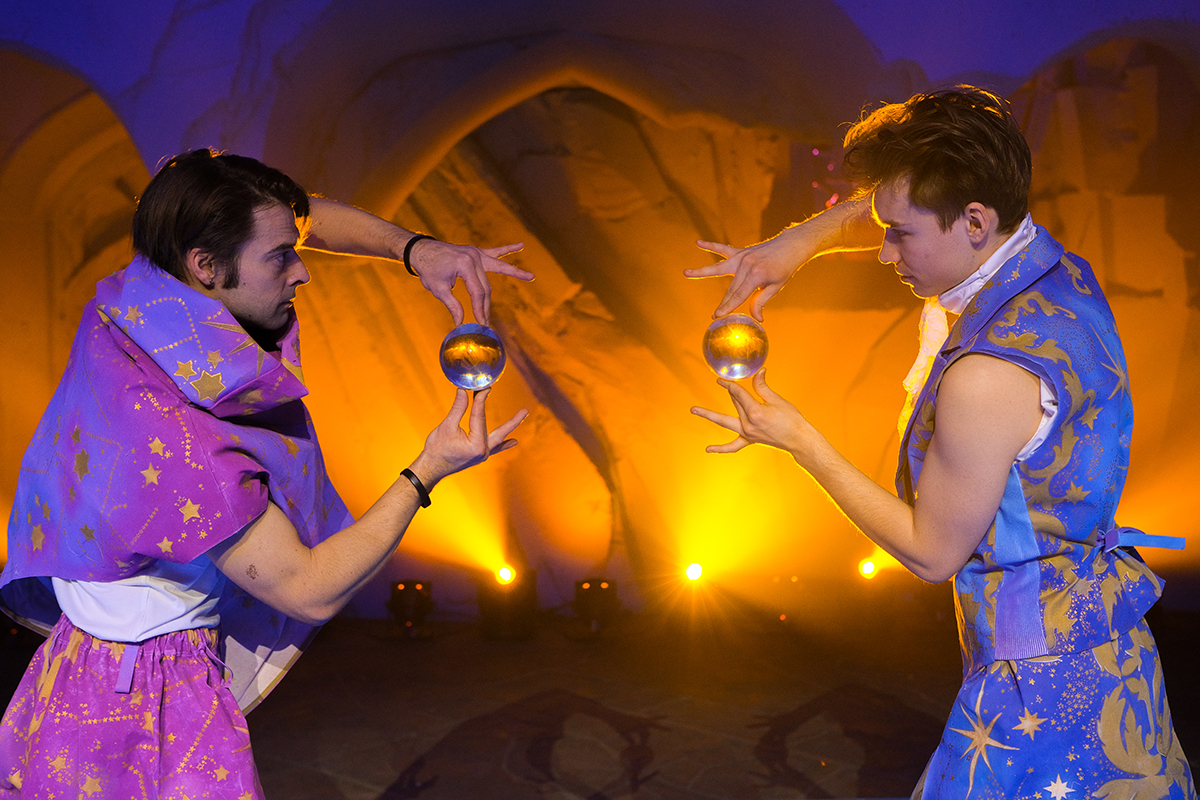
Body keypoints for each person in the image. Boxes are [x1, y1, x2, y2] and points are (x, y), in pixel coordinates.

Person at [688, 87, 1195, 799]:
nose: (884, 251)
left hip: (1036, 691)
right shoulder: (1055, 269)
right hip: (1110, 657)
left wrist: (798, 439)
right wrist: (798, 243)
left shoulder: (986, 376)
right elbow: (915, 200)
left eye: (900, 234)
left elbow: (932, 553)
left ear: (976, 222)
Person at [0, 149, 532, 798]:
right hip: (148, 698)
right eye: (281, 258)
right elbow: (307, 589)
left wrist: (415, 249)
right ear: (206, 266)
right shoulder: (186, 447)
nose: (302, 271)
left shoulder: (137, 292)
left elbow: (293, 215)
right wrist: (428, 469)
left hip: (71, 670)